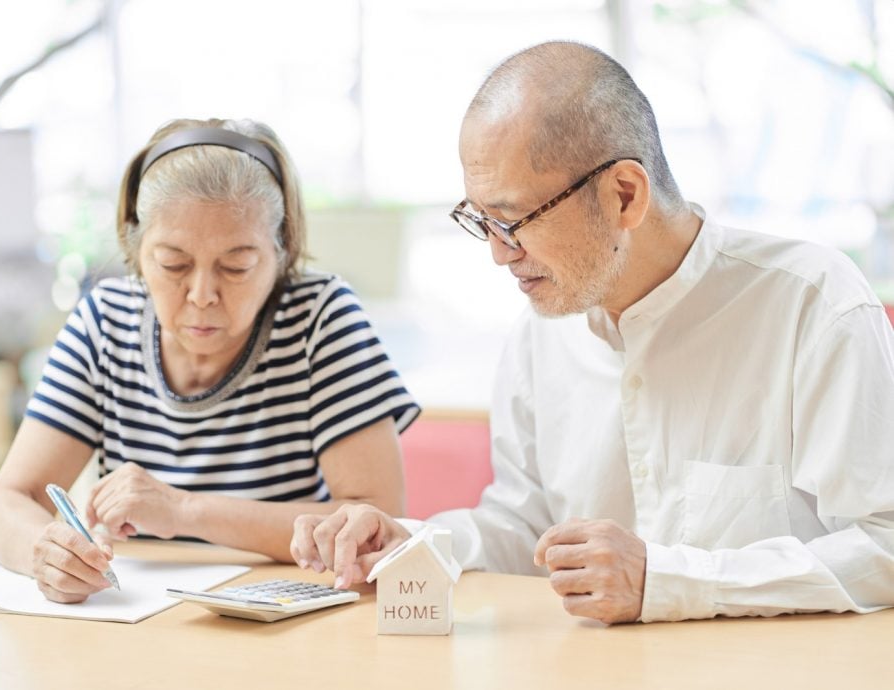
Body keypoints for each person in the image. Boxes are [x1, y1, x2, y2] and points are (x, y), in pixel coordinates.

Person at [290, 41, 894, 624]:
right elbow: (525, 529)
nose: (501, 255)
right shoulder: (541, 335)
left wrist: (664, 581)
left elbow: (883, 547)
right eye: (482, 221)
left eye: (513, 221)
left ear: (624, 195)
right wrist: (415, 545)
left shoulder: (812, 305)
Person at [0, 118, 420, 603]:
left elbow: (377, 519)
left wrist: (184, 510)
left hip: (288, 619)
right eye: (173, 264)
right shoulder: (105, 321)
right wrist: (44, 551)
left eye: (237, 266)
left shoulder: (320, 318)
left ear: (281, 252)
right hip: (142, 616)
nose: (202, 295)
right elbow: (9, 499)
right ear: (135, 249)